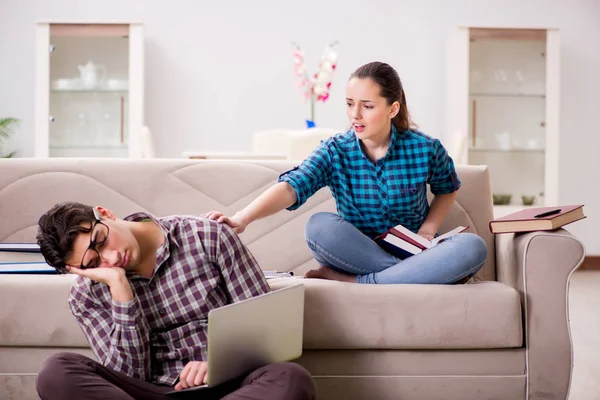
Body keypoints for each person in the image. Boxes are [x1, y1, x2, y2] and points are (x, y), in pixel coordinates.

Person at [205, 61, 487, 285]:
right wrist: (242, 218)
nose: (355, 115)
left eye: (367, 106)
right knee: (318, 226)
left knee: (473, 247)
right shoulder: (334, 150)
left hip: (412, 248)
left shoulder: (425, 148)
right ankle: (419, 275)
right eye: (350, 103)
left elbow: (446, 187)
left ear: (393, 109)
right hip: (357, 252)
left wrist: (427, 229)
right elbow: (293, 186)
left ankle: (358, 281)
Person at [35, 202, 316, 400]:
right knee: (56, 372)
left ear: (105, 214)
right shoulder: (87, 294)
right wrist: (120, 288)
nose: (110, 258)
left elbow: (265, 328)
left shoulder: (207, 235)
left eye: (100, 240)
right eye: (94, 262)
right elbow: (127, 376)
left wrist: (216, 364)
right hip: (154, 390)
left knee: (290, 378)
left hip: (232, 385)